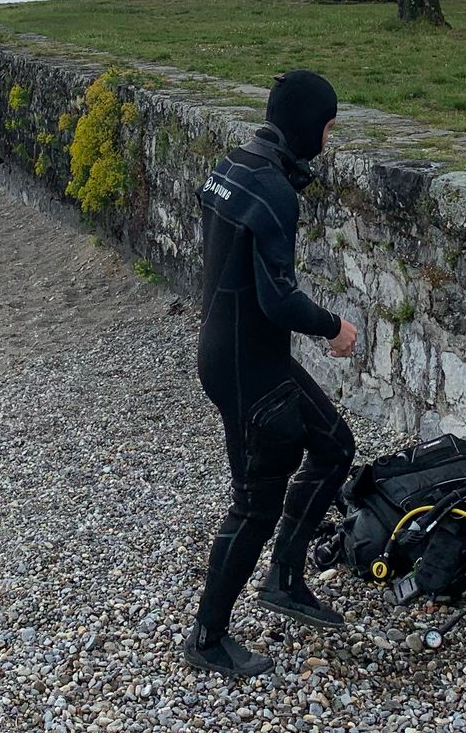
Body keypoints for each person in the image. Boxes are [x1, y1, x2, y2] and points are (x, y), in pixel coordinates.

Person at [184, 70, 360, 680]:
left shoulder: (233, 165)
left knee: (335, 446)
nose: (328, 141)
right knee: (255, 505)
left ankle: (284, 576)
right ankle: (208, 637)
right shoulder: (275, 192)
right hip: (246, 366)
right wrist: (333, 326)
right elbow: (277, 300)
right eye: (328, 129)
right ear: (311, 128)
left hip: (238, 348)